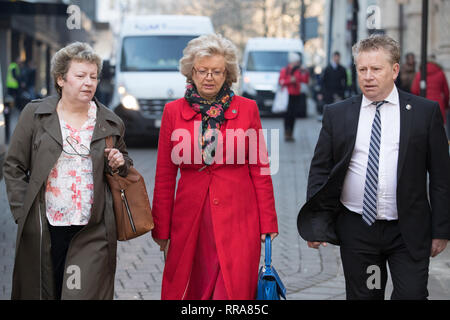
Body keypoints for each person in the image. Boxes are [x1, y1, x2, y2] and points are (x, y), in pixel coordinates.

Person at [297, 34, 450, 300]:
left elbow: (441, 177)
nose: (368, 76)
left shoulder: (424, 113)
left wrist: (441, 230)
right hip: (359, 230)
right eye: (362, 69)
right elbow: (321, 169)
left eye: (376, 69)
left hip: (408, 230)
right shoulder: (338, 114)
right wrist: (316, 222)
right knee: (367, 295)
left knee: (412, 295)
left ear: (394, 70)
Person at [151, 33, 279, 300]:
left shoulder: (248, 109)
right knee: (192, 290)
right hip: (190, 220)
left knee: (231, 291)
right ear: (191, 72)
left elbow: (260, 169)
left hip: (239, 218)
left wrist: (268, 222)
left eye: (217, 71)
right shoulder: (173, 111)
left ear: (227, 74)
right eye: (202, 71)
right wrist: (161, 227)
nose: (209, 77)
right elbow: (164, 173)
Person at [3, 42, 133, 300]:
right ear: (61, 79)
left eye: (93, 76)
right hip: (47, 225)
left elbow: (124, 162)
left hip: (92, 227)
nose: (89, 82)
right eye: (80, 75)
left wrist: (121, 161)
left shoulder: (110, 121)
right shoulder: (35, 115)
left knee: (82, 294)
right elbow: (14, 165)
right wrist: (23, 214)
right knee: (44, 291)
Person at [278, 52, 309, 141]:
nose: (298, 63)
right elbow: (281, 81)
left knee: (294, 114)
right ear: (293, 62)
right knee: (287, 114)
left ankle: (291, 133)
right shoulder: (285, 70)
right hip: (287, 96)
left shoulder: (298, 71)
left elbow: (305, 81)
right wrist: (290, 80)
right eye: (297, 62)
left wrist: (306, 72)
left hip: (296, 95)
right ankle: (286, 132)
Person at [411, 56, 449, 127]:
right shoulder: (440, 73)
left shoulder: (420, 74)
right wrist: (446, 105)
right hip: (438, 104)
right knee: (439, 129)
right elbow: (446, 92)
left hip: (423, 104)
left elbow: (414, 90)